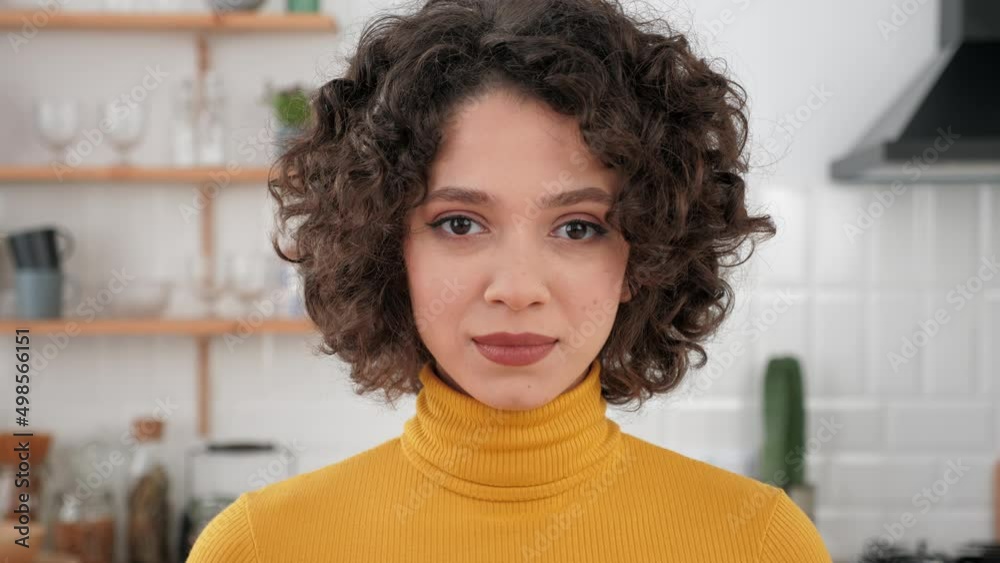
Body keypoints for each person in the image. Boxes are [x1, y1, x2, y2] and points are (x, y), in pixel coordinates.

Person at [187, 0, 834, 561]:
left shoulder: (762, 544)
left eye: (578, 227)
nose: (517, 288)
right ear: (389, 247)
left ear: (646, 256)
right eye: (460, 223)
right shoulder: (256, 548)